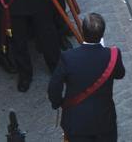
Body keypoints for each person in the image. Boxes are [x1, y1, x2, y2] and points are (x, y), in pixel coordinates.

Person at [48, 12, 126, 140]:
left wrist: (58, 103)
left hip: (76, 122)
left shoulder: (68, 57)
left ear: (83, 32)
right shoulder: (113, 54)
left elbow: (54, 86)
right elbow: (120, 74)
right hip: (104, 120)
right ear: (102, 34)